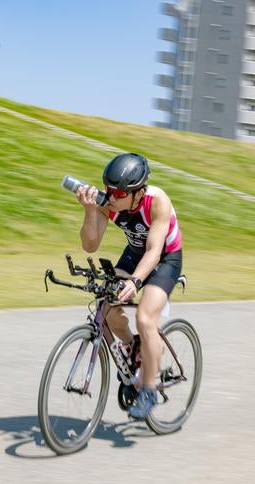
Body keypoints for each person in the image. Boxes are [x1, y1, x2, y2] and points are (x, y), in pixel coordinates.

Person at [75, 153, 183, 419]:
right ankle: (135, 349)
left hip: (164, 258)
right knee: (107, 306)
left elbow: (155, 250)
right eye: (108, 190)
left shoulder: (157, 202)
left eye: (119, 193)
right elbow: (90, 245)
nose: (111, 197)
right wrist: (90, 210)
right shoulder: (108, 202)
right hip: (135, 252)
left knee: (145, 318)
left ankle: (148, 390)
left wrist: (135, 281)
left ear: (137, 192)